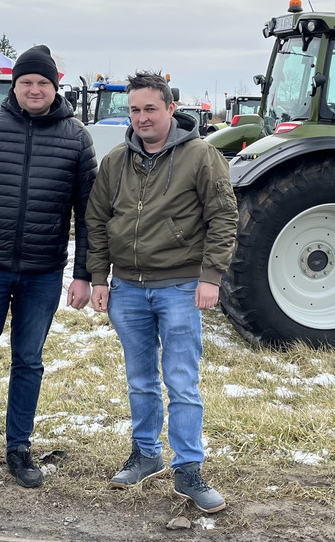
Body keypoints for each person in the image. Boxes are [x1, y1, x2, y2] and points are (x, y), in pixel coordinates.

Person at [0, 45, 97, 492]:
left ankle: (19, 447)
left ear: (54, 87)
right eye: (26, 81)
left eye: (42, 83)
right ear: (15, 85)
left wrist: (83, 273)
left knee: (28, 360)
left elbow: (89, 212)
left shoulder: (75, 136)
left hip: (43, 271)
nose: (34, 89)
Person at [86, 71, 238, 514]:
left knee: (182, 382)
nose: (141, 118)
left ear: (172, 108)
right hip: (128, 289)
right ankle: (146, 453)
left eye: (150, 108)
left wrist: (210, 276)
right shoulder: (115, 161)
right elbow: (96, 220)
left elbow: (224, 218)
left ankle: (188, 470)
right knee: (140, 380)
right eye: (134, 110)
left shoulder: (201, 157)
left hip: (180, 287)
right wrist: (99, 278)